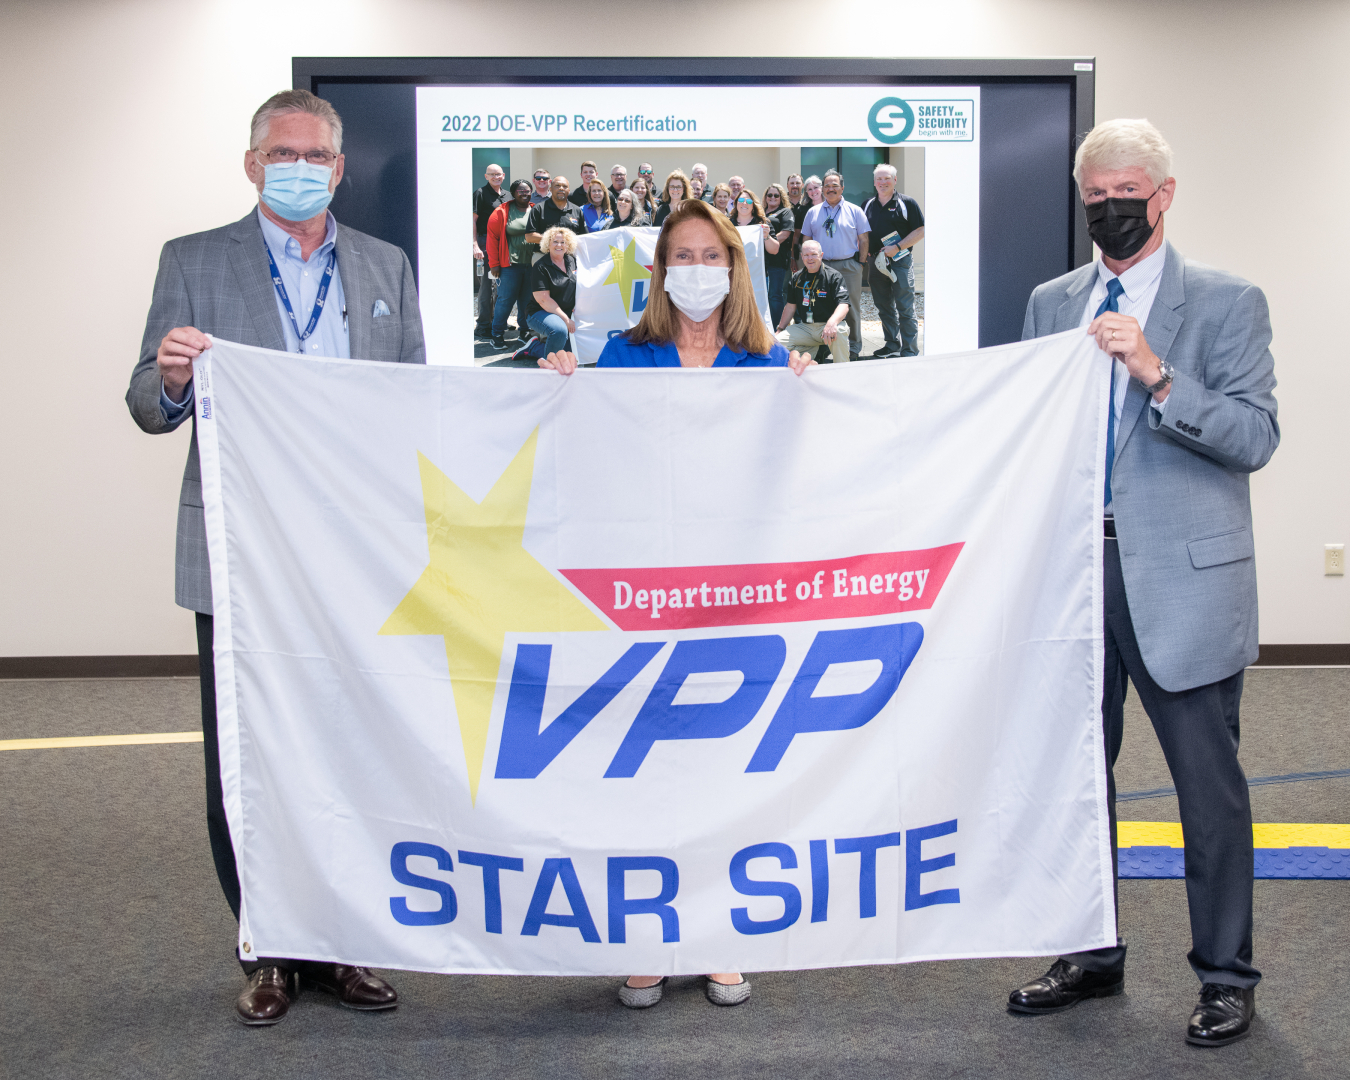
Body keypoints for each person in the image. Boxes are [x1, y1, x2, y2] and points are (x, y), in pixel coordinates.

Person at [125, 89, 422, 1027]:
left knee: (352, 751)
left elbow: (415, 405)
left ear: (338, 168)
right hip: (240, 557)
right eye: (280, 153)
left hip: (353, 559)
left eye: (316, 155)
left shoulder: (384, 265)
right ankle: (268, 947)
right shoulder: (195, 261)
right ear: (253, 164)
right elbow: (143, 399)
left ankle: (342, 946)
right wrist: (172, 378)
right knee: (247, 761)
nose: (299, 167)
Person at [1006, 119, 1279, 1049]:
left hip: (1183, 583)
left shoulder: (1227, 302)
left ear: (1163, 196)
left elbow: (1254, 437)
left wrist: (1155, 375)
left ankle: (1226, 977)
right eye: (1094, 196)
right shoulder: (1052, 303)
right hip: (1077, 581)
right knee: (1078, 782)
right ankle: (1091, 952)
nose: (1110, 208)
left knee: (1209, 790)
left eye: (1126, 191)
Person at [801, 171, 869, 360]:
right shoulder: (813, 212)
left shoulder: (855, 210)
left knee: (852, 307)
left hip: (849, 266)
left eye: (835, 185)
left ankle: (854, 347)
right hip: (820, 268)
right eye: (827, 186)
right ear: (823, 188)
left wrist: (860, 264)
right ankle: (823, 347)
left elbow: (864, 239)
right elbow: (806, 238)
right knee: (821, 306)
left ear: (842, 188)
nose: (830, 189)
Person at [862, 163, 924, 358]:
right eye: (879, 179)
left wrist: (897, 247)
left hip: (900, 261)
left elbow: (921, 230)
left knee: (905, 307)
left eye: (887, 178)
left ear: (895, 180)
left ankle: (910, 350)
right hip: (875, 263)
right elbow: (861, 234)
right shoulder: (867, 205)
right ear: (874, 182)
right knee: (884, 306)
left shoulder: (907, 203)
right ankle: (892, 344)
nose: (882, 182)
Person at [776, 239, 850, 364]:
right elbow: (790, 306)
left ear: (821, 255)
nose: (810, 258)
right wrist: (780, 329)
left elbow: (844, 304)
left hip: (828, 326)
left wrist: (832, 323)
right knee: (775, 343)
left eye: (814, 254)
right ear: (802, 257)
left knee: (840, 331)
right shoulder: (796, 278)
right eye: (806, 255)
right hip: (806, 328)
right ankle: (811, 355)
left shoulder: (834, 276)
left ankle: (842, 372)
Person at [486, 179, 536, 348]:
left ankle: (524, 331)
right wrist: (494, 264)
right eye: (521, 191)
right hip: (509, 266)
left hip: (530, 265)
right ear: (514, 193)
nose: (524, 193)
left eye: (527, 190)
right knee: (505, 301)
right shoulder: (501, 212)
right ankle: (497, 334)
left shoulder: (535, 209)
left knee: (526, 301)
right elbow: (492, 239)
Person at [524, 226, 579, 356]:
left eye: (563, 242)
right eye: (555, 241)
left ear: (568, 245)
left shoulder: (572, 260)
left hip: (565, 311)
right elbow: (543, 300)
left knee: (570, 353)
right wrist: (566, 319)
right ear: (548, 244)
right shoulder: (540, 266)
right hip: (540, 312)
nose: (559, 245)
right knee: (559, 331)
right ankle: (550, 366)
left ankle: (534, 347)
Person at [472, 162, 508, 339]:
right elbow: (473, 220)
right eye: (492, 174)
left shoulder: (508, 195)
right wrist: (474, 244)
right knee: (487, 285)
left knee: (500, 284)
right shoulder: (480, 193)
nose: (496, 177)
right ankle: (483, 325)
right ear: (486, 176)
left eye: (498, 174)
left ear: (503, 176)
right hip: (486, 243)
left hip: (504, 244)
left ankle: (498, 320)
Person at [762, 183, 796, 328]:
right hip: (761, 261)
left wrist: (768, 241)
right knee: (762, 295)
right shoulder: (760, 212)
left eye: (776, 195)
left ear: (781, 197)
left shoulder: (785, 212)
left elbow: (786, 233)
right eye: (770, 195)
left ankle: (778, 328)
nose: (773, 198)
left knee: (775, 295)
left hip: (778, 260)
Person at [524, 176, 587, 253]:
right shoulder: (539, 208)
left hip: (570, 256)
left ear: (569, 190)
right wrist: (555, 241)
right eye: (557, 186)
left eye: (565, 186)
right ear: (550, 189)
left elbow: (584, 237)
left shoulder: (577, 210)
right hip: (543, 256)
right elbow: (529, 237)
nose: (561, 188)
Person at [792, 174, 822, 272]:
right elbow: (796, 235)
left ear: (822, 188)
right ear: (806, 192)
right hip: (806, 254)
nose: (813, 191)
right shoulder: (802, 209)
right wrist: (793, 257)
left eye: (816, 188)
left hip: (827, 252)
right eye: (809, 189)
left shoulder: (830, 207)